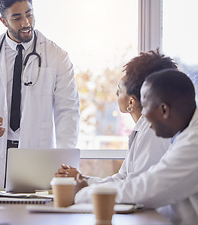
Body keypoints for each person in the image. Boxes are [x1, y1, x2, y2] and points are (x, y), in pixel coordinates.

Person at [0, 0, 80, 188]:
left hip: (37, 155)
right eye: (17, 18)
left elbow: (67, 112)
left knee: (33, 214)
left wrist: (66, 164)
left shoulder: (57, 56)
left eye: (29, 14)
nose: (26, 23)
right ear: (3, 21)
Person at [76, 69, 198, 225]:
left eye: (145, 107)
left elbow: (149, 189)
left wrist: (84, 194)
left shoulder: (193, 143)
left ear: (164, 110)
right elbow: (147, 178)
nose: (144, 116)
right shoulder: (184, 136)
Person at [57, 50, 177, 188]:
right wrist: (82, 179)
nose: (116, 94)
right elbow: (123, 178)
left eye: (119, 90)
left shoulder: (152, 130)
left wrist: (83, 184)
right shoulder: (144, 128)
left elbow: (134, 187)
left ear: (131, 102)